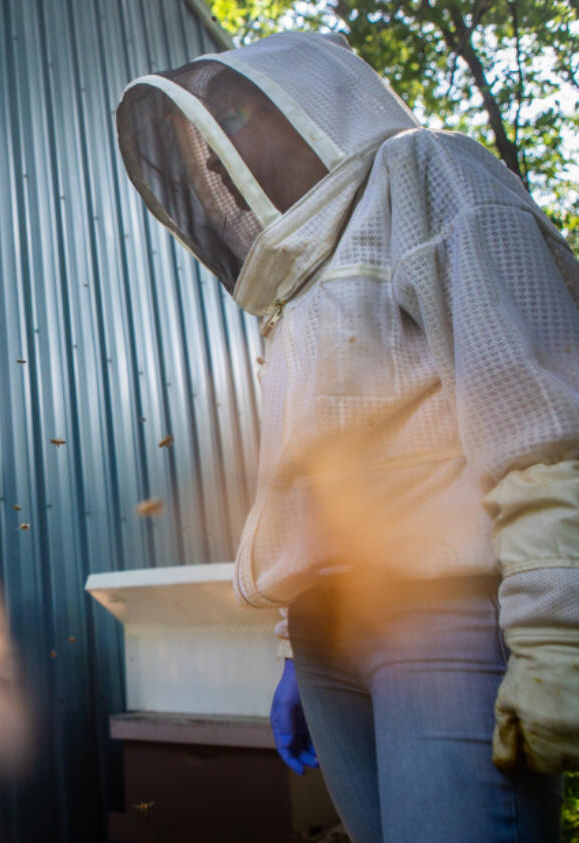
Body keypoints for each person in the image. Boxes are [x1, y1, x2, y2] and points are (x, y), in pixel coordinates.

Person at [116, 31, 579, 842]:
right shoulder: (290, 292)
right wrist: (297, 648)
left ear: (313, 98)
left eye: (238, 111)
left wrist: (556, 628)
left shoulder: (429, 171)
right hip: (329, 641)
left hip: (441, 616)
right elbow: (314, 484)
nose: (223, 152)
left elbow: (536, 408)